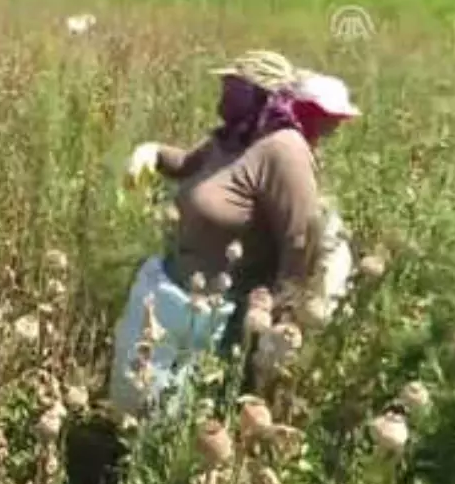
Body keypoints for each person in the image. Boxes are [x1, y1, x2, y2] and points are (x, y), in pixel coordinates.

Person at [111, 51, 361, 415]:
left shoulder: (283, 150)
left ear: (261, 95)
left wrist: (277, 325)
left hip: (217, 320)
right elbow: (186, 164)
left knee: (179, 424)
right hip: (170, 292)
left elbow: (299, 241)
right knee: (135, 405)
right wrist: (152, 153)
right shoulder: (232, 138)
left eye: (234, 87)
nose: (223, 96)